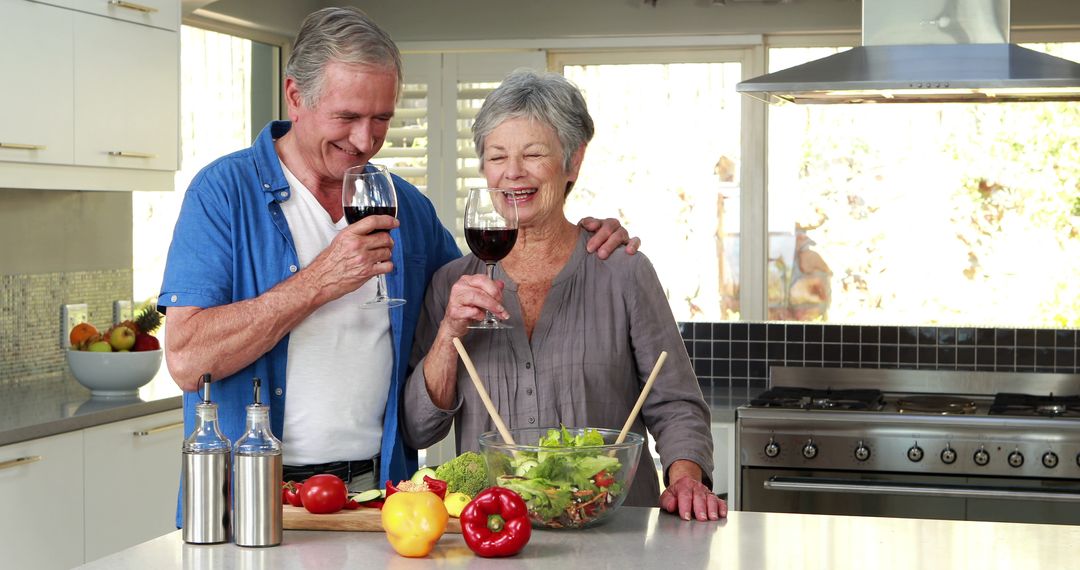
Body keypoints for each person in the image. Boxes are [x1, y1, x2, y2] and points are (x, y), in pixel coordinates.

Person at [159, 7, 635, 525]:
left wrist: (574, 236)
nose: (366, 141)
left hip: (383, 499)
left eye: (382, 118)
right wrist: (320, 280)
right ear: (296, 96)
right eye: (347, 118)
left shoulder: (406, 206)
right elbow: (187, 360)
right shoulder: (223, 194)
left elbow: (481, 290)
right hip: (252, 496)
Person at [403, 69, 725, 522]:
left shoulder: (624, 272)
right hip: (497, 534)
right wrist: (449, 333)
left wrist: (686, 476)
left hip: (616, 534)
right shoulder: (451, 286)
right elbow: (418, 428)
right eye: (497, 156)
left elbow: (675, 403)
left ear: (573, 162)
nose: (513, 172)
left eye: (533, 154)